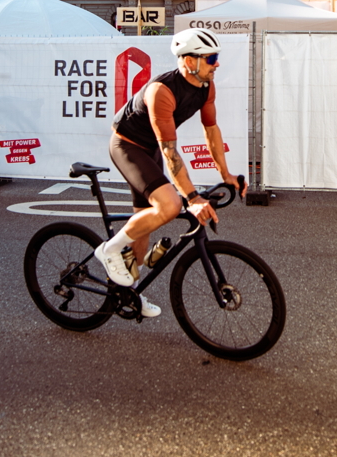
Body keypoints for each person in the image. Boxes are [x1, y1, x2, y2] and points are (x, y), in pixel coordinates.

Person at [93, 28, 244, 317]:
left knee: (144, 227)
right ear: (189, 61)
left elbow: (211, 130)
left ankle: (130, 292)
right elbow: (170, 153)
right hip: (127, 146)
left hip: (149, 148)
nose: (217, 64)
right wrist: (192, 198)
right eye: (211, 58)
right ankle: (109, 250)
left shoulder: (206, 87)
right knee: (171, 205)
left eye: (216, 57)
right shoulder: (162, 91)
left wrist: (225, 174)